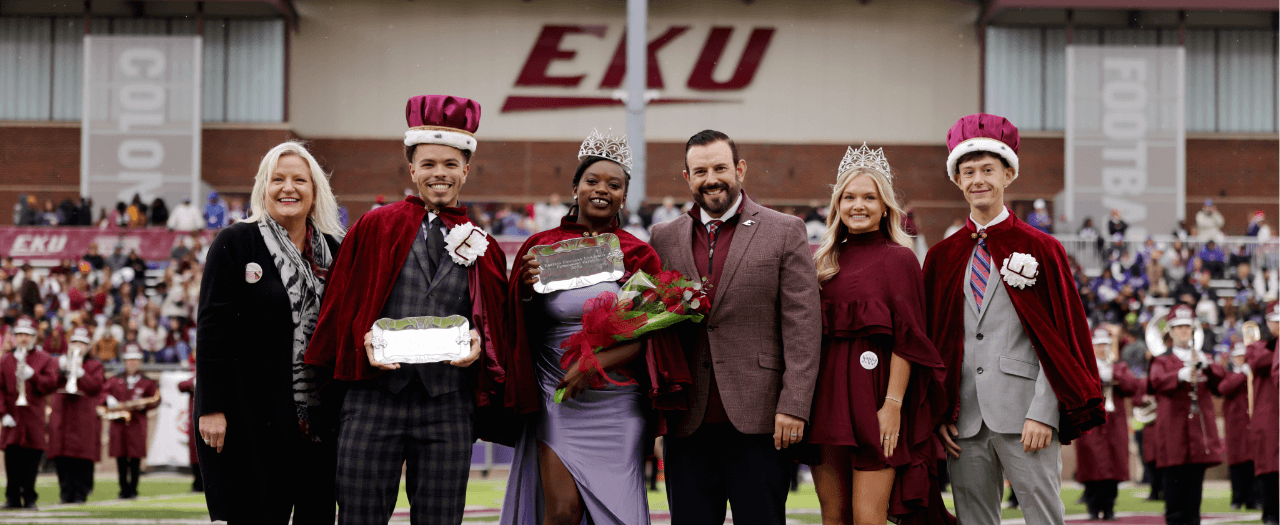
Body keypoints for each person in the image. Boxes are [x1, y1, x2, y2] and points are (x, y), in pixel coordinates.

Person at [304, 95, 509, 525]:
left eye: (451, 164)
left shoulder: (483, 245)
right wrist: (360, 340)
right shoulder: (374, 226)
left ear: (466, 170)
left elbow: (495, 323)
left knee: (440, 520)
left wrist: (479, 341)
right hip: (373, 397)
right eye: (429, 164)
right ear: (412, 168)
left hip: (448, 404)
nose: (440, 174)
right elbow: (340, 308)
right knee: (359, 517)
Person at [499, 129, 691, 525]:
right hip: (558, 393)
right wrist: (526, 291)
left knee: (617, 515)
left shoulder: (638, 254)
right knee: (562, 511)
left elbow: (652, 337)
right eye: (592, 181)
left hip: (617, 399)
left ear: (624, 196)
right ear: (575, 188)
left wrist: (594, 363)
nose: (602, 189)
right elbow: (516, 327)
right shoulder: (540, 246)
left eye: (614, 184)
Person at [923, 113, 1103, 525]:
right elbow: (935, 342)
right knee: (974, 519)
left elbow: (1061, 337)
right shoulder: (941, 256)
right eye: (967, 172)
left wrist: (1045, 410)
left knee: (1044, 517)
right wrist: (941, 412)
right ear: (957, 180)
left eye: (988, 170)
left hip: (1026, 414)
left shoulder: (1043, 248)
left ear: (1008, 174)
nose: (977, 180)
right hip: (963, 420)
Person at [648, 129, 821, 525]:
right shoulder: (663, 237)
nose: (712, 178)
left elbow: (803, 326)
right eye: (701, 170)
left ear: (739, 169)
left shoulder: (784, 230)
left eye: (720, 167)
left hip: (761, 421)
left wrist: (794, 405)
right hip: (686, 421)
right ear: (687, 178)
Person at [194, 141, 345, 522]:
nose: (288, 188)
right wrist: (211, 407)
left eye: (299, 180)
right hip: (253, 417)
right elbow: (213, 332)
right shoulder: (235, 243)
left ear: (315, 191)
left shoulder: (335, 250)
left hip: (320, 424)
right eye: (277, 179)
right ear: (264, 187)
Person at [806, 144, 948, 525]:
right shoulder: (822, 262)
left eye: (869, 197)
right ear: (837, 205)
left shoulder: (900, 259)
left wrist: (893, 405)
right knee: (833, 515)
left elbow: (909, 338)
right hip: (826, 402)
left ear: (885, 206)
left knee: (869, 516)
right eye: (849, 197)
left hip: (876, 402)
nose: (859, 205)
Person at [1149, 304, 1225, 525]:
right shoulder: (1161, 360)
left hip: (1197, 437)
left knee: (1194, 502)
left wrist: (1208, 366)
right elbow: (1155, 382)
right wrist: (1179, 375)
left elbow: (1222, 384)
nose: (1183, 331)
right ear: (1171, 331)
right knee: (1174, 502)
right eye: (1179, 327)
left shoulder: (1203, 356)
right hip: (1173, 437)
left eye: (1187, 327)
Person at [1073, 326, 1141, 520]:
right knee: (1092, 463)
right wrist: (1097, 376)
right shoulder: (1084, 366)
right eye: (1098, 345)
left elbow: (1132, 387)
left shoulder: (1119, 366)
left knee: (1114, 463)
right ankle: (1093, 508)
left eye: (1105, 345)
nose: (1102, 349)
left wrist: (1114, 374)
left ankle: (1110, 508)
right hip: (1091, 421)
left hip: (1114, 422)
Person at [0, 316, 59, 509]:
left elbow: (51, 384)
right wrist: (3, 414)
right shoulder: (6, 359)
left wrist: (34, 376)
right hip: (13, 415)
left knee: (32, 459)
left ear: (34, 337)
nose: (23, 338)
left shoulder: (44, 359)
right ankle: (12, 497)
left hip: (33, 415)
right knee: (12, 457)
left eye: (27, 335)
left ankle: (30, 497)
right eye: (20, 334)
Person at [47, 327, 106, 504]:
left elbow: (96, 387)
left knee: (81, 456)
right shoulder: (60, 362)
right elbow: (50, 384)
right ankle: (65, 493)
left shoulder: (95, 365)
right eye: (74, 342)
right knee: (62, 456)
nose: (77, 346)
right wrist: (61, 369)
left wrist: (82, 374)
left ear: (88, 346)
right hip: (63, 414)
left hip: (82, 415)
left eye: (81, 343)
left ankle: (81, 492)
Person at [106, 346, 159, 499]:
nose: (132, 363)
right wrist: (109, 399)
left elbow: (156, 399)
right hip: (119, 422)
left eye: (135, 360)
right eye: (129, 360)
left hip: (137, 422)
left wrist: (145, 405)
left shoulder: (147, 381)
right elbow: (103, 392)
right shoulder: (115, 379)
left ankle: (133, 489)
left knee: (135, 457)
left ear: (140, 362)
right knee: (120, 457)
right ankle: (123, 489)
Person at [1247, 301, 1279, 525]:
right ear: (1268, 322)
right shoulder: (1258, 346)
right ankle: (1270, 511)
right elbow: (1258, 363)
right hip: (1268, 412)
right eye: (1275, 321)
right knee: (1269, 464)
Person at [1220, 344, 1257, 510]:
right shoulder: (1230, 375)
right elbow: (1224, 388)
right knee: (1236, 464)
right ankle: (1237, 498)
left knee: (1252, 463)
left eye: (1243, 356)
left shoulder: (1254, 375)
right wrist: (1243, 374)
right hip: (1235, 427)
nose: (1241, 359)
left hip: (1251, 425)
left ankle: (1253, 499)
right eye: (1238, 356)